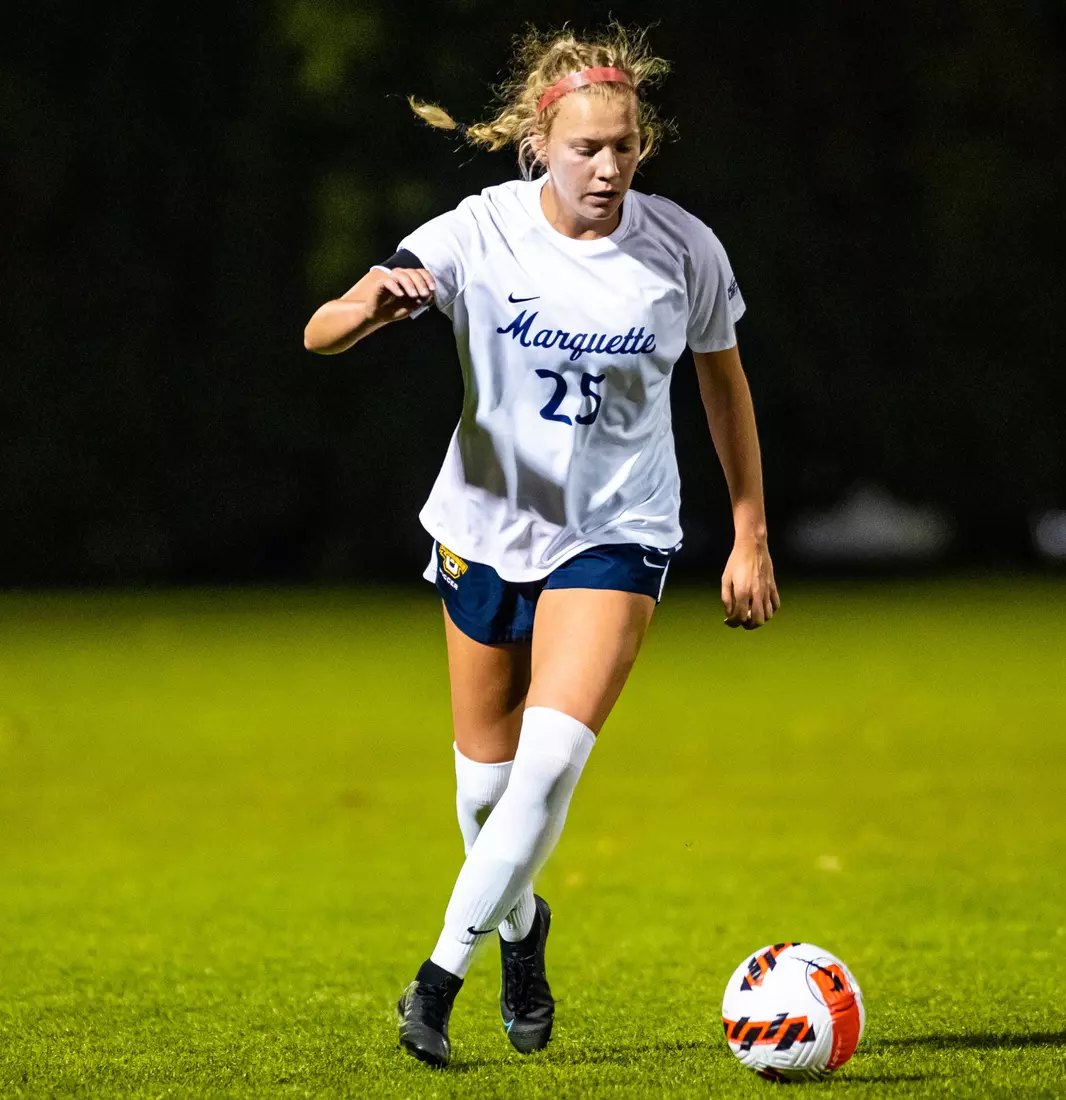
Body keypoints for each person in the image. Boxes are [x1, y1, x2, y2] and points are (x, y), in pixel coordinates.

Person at [303, 24, 780, 1069]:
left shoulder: (681, 249)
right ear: (537, 143)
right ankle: (523, 929)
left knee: (550, 764)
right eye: (584, 149)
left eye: (623, 147)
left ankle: (437, 977)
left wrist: (747, 530)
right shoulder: (478, 232)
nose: (606, 168)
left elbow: (723, 381)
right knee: (483, 793)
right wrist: (373, 304)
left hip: (615, 532)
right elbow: (319, 329)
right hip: (482, 524)